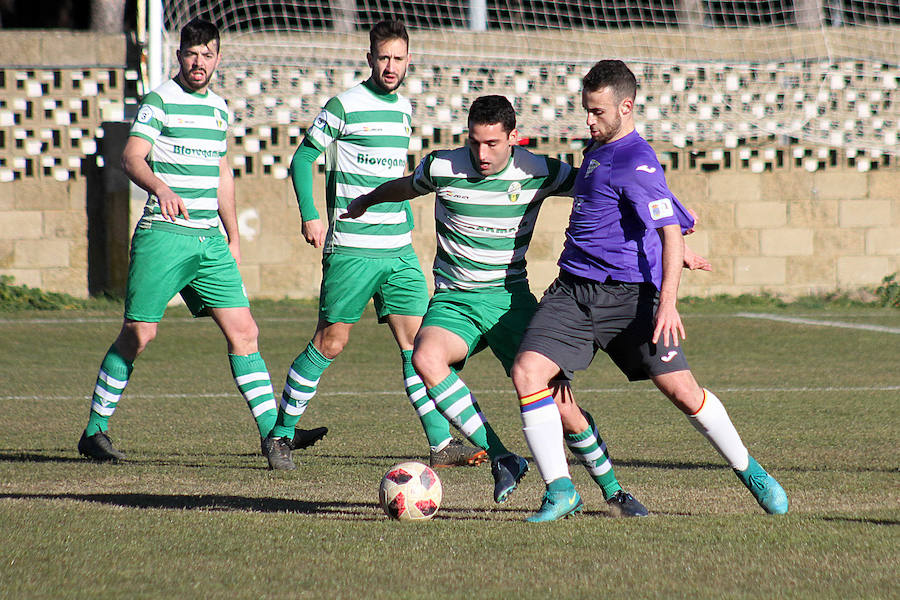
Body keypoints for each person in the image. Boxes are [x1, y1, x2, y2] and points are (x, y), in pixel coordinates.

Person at [510, 59, 789, 521]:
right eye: (586, 110)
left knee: (683, 393)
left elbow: (671, 230)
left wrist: (668, 302)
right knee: (528, 374)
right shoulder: (596, 148)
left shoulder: (637, 160)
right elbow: (648, 218)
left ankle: (749, 469)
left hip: (631, 299)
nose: (589, 120)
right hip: (573, 292)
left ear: (626, 106)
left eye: (597, 112)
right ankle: (560, 490)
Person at [343, 95, 650, 511]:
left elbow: (608, 189)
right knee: (425, 358)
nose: (482, 154)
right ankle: (503, 456)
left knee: (563, 408)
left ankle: (613, 491)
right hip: (456, 300)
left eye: (492, 144)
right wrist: (367, 200)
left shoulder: (538, 169)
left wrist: (667, 227)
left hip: (511, 302)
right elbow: (404, 185)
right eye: (475, 143)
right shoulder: (442, 167)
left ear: (512, 138)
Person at [77, 18, 322, 463]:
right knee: (140, 333)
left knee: (245, 331)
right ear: (180, 56)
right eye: (192, 54)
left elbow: (222, 173)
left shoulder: (220, 109)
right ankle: (94, 432)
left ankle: (273, 437)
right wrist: (161, 188)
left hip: (209, 240)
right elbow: (131, 157)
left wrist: (231, 235)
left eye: (208, 54)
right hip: (164, 236)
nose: (199, 62)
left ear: (217, 59)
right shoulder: (160, 102)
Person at [265, 20, 485, 471]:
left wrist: (405, 222)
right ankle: (281, 434)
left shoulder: (404, 109)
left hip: (398, 252)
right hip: (352, 248)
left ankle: (441, 446)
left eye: (398, 58)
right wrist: (311, 215)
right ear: (369, 59)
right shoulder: (344, 106)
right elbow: (304, 157)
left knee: (419, 347)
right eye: (383, 57)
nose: (390, 66)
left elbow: (395, 176)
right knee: (331, 342)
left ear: (408, 61)